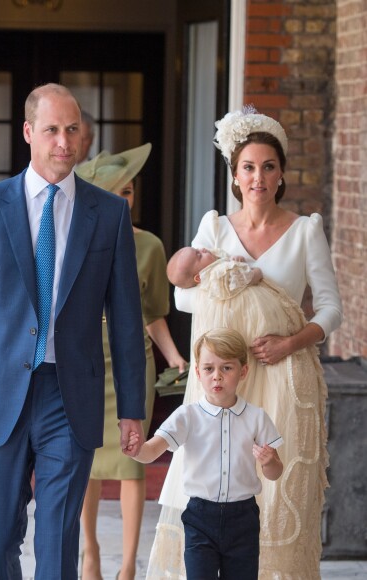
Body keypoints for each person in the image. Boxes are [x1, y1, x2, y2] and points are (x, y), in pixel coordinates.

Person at [0, 83, 147, 580]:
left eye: (72, 130)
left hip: (69, 396)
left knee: (58, 536)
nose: (63, 142)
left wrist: (133, 408)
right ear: (29, 132)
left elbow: (128, 319)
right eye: (51, 130)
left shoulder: (108, 214)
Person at [147, 106, 343, 579]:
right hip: (222, 377)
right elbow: (182, 296)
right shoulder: (214, 229)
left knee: (277, 486)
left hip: (281, 376)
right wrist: (228, 288)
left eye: (268, 167)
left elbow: (332, 311)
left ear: (280, 176)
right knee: (211, 483)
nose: (258, 177)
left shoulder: (304, 231)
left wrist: (290, 342)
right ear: (235, 176)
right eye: (249, 168)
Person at [75, 144, 187, 580]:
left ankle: (126, 565)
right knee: (87, 461)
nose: (125, 198)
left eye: (130, 190)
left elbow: (154, 314)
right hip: (85, 363)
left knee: (132, 460)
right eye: (115, 191)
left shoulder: (152, 247)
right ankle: (90, 553)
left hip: (130, 364)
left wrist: (175, 355)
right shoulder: (76, 241)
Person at [127, 328, 283, 580]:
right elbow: (151, 451)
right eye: (209, 369)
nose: (217, 377)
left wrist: (269, 462)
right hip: (200, 517)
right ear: (198, 373)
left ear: (243, 371)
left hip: (243, 518)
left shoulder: (257, 417)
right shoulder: (187, 416)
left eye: (227, 368)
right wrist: (136, 450)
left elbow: (275, 473)